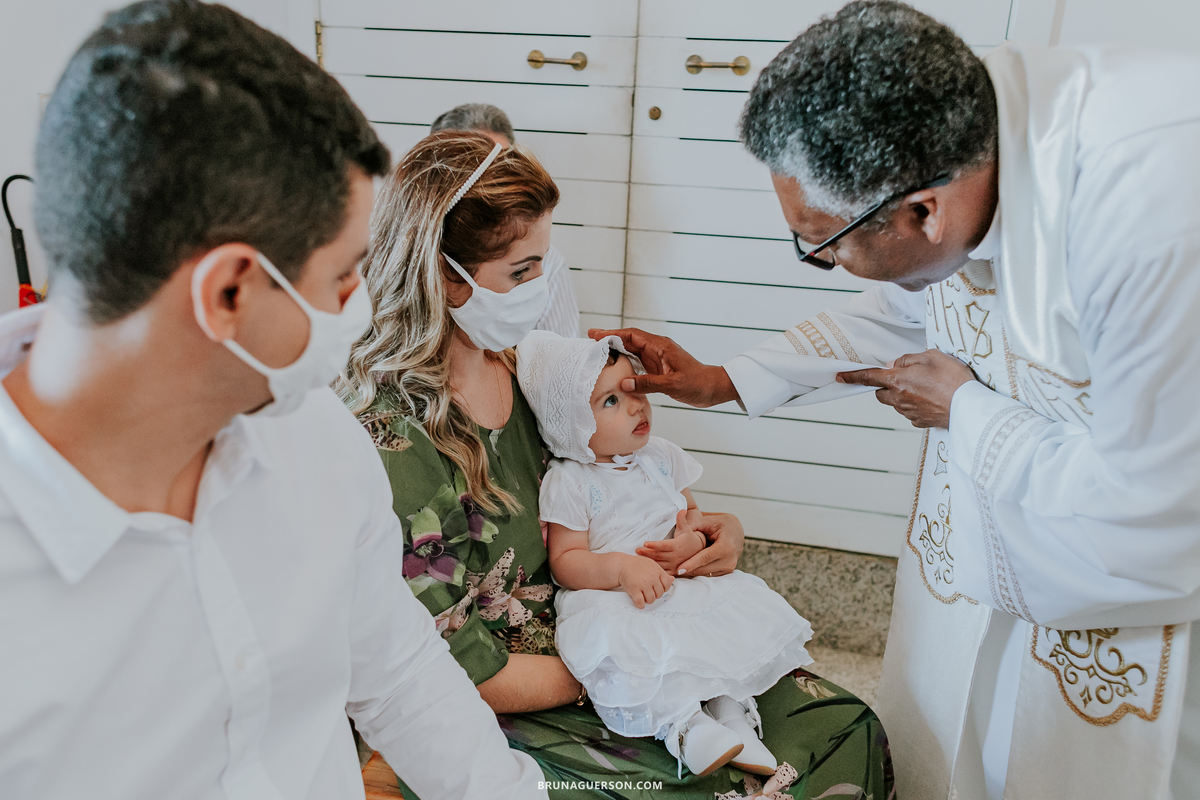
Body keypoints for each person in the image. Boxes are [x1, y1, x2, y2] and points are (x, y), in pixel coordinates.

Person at [592, 2, 1200, 799]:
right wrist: (725, 379)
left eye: (826, 245)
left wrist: (968, 415)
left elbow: (1157, 509)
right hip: (999, 549)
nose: (830, 262)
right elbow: (921, 300)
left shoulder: (1154, 219)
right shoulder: (979, 133)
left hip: (1127, 604)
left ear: (924, 208)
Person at [0, 3, 546, 799]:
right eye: (341, 276)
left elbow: (397, 676)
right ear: (229, 291)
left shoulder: (315, 440)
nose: (361, 305)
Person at [339, 131, 894, 799]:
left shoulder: (532, 376)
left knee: (847, 727)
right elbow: (455, 674)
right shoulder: (391, 437)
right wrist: (625, 664)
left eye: (545, 261)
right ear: (443, 276)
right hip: (512, 692)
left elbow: (621, 487)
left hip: (609, 627)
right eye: (521, 272)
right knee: (761, 788)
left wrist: (703, 536)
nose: (541, 288)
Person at [515, 330, 815, 779]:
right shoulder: (571, 480)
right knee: (645, 656)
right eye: (610, 402)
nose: (636, 404)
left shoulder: (662, 457)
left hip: (680, 582)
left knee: (715, 638)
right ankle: (685, 727)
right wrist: (620, 568)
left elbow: (692, 514)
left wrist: (693, 543)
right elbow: (566, 559)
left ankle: (733, 716)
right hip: (614, 594)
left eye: (633, 387)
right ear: (572, 425)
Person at [431, 103, 581, 338]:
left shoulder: (549, 267)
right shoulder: (387, 263)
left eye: (502, 167)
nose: (491, 183)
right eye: (474, 170)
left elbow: (562, 357)